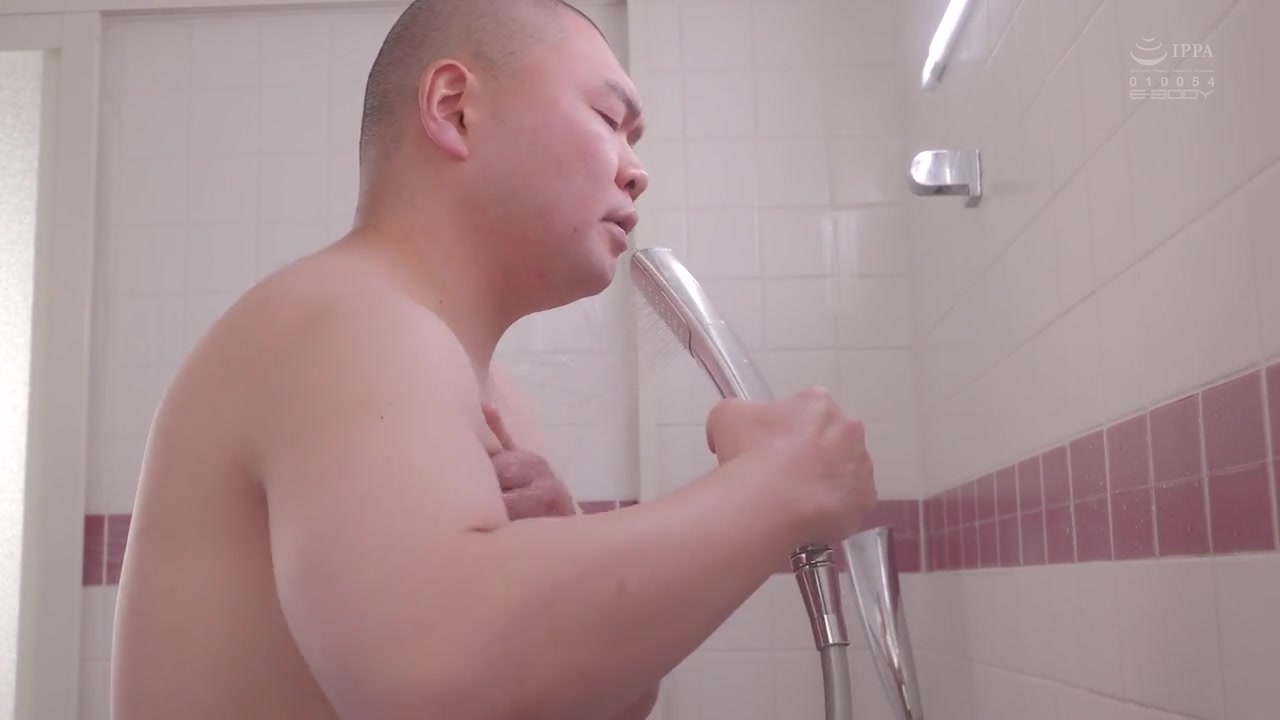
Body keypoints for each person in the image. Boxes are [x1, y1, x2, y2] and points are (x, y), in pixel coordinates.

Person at [109, 0, 878, 718]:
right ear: (454, 108)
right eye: (609, 119)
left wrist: (563, 553)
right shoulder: (349, 320)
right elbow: (432, 668)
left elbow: (582, 698)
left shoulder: (488, 389)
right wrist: (782, 484)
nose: (635, 169)